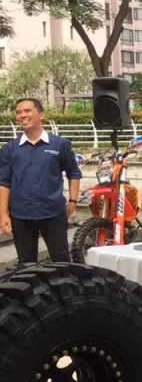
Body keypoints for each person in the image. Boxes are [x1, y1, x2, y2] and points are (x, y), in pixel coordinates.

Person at [0, 97, 82, 264]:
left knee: (61, 260)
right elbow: (4, 182)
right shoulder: (9, 149)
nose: (22, 115)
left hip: (53, 213)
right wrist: (3, 213)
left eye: (27, 110)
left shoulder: (60, 144)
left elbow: (73, 173)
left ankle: (62, 282)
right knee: (26, 263)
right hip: (20, 215)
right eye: (18, 112)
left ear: (41, 115)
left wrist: (73, 201)